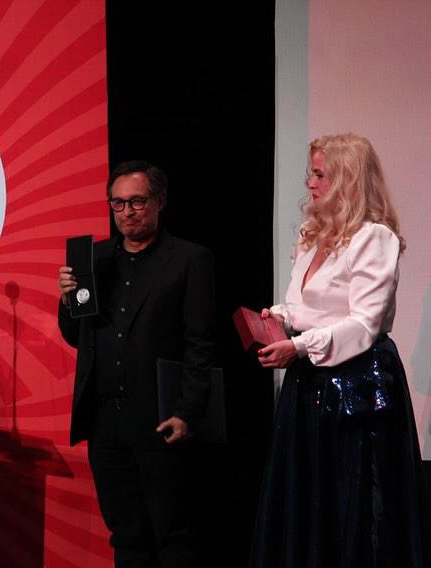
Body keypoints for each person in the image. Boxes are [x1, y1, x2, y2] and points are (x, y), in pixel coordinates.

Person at [251, 133, 430, 567]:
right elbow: (311, 306)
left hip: (356, 385)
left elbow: (364, 324)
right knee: (309, 493)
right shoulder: (314, 235)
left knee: (352, 499)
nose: (310, 183)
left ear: (348, 179)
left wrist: (299, 345)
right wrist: (279, 317)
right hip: (309, 378)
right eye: (311, 173)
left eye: (320, 174)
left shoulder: (373, 238)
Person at [57, 160, 216, 567]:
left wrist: (188, 411)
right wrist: (68, 300)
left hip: (161, 419)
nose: (127, 212)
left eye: (137, 202)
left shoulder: (189, 259)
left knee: (173, 535)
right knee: (126, 535)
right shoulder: (94, 258)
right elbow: (77, 337)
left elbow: (199, 343)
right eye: (118, 203)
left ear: (160, 202)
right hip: (106, 421)